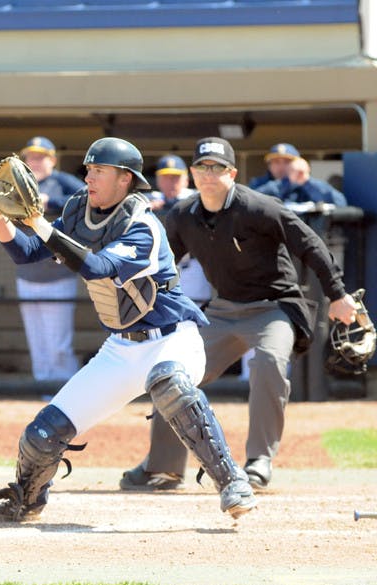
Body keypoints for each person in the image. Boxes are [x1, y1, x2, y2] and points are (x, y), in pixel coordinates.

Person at [0, 136, 257, 523]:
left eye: (99, 170)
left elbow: (96, 267)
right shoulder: (79, 210)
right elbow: (27, 254)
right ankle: (27, 499)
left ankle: (232, 480)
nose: (89, 177)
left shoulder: (144, 225)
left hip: (173, 340)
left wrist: (37, 223)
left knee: (169, 383)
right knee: (42, 434)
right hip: (121, 349)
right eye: (88, 169)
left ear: (125, 179)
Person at [121, 137, 358, 492]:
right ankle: (163, 467)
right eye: (202, 167)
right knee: (171, 372)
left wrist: (337, 295)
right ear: (193, 173)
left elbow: (309, 243)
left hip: (273, 307)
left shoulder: (258, 207)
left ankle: (259, 460)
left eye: (217, 167)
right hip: (222, 310)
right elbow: (161, 262)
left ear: (232, 172)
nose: (209, 174)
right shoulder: (184, 215)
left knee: (267, 362)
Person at [15, 137, 83, 393]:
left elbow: (86, 199)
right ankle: (44, 392)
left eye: (41, 156)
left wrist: (51, 202)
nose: (35, 162)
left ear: (52, 159)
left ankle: (70, 392)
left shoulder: (60, 181)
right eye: (31, 157)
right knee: (38, 343)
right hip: (26, 275)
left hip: (58, 275)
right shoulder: (19, 186)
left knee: (58, 344)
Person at [148, 154, 212, 308]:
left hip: (193, 267)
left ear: (186, 179)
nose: (170, 182)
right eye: (166, 177)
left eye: (175, 177)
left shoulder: (199, 197)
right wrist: (146, 207)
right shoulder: (150, 199)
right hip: (162, 268)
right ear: (158, 180)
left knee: (195, 313)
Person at [258, 157, 347, 207]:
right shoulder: (261, 182)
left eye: (287, 162)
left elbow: (341, 203)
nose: (282, 167)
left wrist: (306, 181)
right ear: (269, 166)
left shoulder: (308, 184)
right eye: (276, 162)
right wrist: (287, 182)